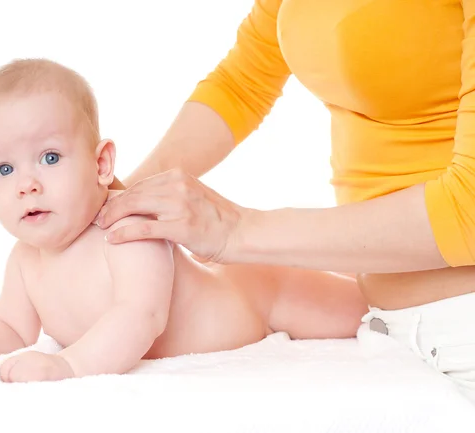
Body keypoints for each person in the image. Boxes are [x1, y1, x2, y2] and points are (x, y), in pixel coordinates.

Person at [96, 0, 475, 400]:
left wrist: (236, 231)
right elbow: (241, 84)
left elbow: (467, 211)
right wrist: (114, 202)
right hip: (386, 327)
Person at [0, 58, 366, 383]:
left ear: (101, 164)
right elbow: (11, 325)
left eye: (50, 157)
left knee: (371, 310)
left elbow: (140, 315)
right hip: (238, 291)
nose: (26, 184)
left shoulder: (126, 230)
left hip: (257, 297)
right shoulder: (24, 259)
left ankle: (380, 274)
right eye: (4, 169)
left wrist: (70, 365)